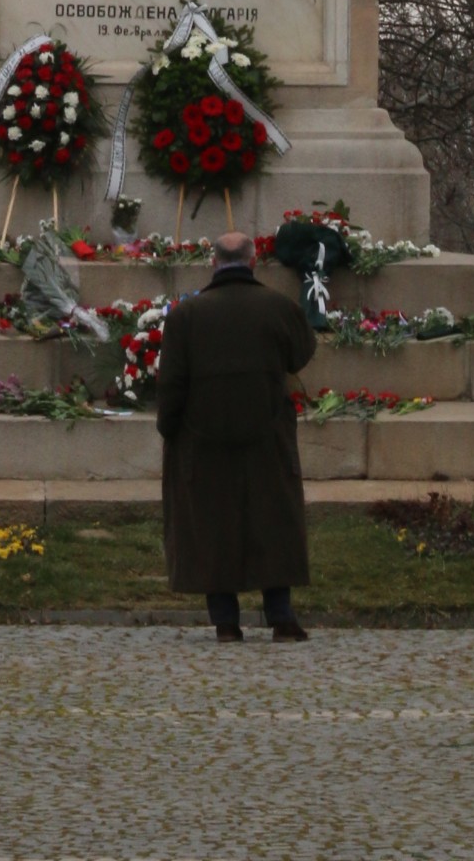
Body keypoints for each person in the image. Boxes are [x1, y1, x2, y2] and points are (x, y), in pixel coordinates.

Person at [155, 227, 316, 641]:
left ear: (213, 263)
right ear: (253, 261)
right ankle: (280, 615)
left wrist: (169, 428)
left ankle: (226, 622)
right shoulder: (279, 308)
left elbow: (171, 384)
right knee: (272, 522)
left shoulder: (186, 316)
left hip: (203, 439)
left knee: (212, 526)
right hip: (267, 436)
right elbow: (301, 354)